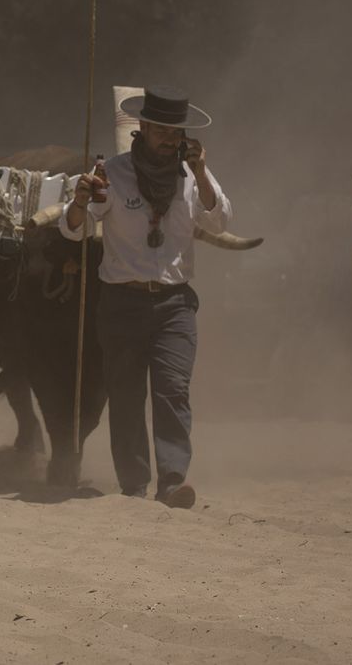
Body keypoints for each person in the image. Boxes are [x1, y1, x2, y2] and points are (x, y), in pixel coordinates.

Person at [61, 87, 231, 509]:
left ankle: (172, 482)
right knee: (126, 393)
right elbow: (75, 230)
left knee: (173, 390)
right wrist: (80, 201)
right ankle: (134, 485)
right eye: (162, 130)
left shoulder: (192, 177)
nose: (170, 139)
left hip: (175, 304)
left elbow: (221, 217)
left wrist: (204, 172)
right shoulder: (112, 174)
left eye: (177, 132)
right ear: (144, 128)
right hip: (122, 304)